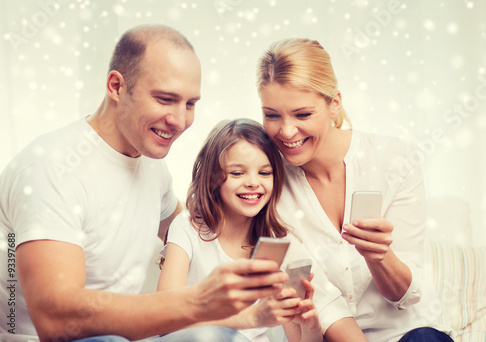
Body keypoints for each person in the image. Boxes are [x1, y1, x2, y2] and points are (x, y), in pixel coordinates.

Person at [0, 25, 288, 342]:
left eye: (190, 104)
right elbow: (56, 321)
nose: (180, 121)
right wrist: (199, 302)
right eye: (166, 99)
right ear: (116, 86)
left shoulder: (152, 167)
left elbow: (191, 227)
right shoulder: (51, 169)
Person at [255, 38, 454, 342]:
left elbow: (406, 295)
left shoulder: (393, 159)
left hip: (405, 334)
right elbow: (316, 298)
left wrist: (379, 257)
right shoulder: (269, 185)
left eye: (302, 114)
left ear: (334, 103)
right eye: (272, 115)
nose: (286, 131)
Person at [157, 118, 367, 342]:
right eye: (238, 173)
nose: (253, 182)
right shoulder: (188, 227)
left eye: (265, 173)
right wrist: (249, 318)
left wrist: (310, 327)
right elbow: (165, 320)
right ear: (213, 178)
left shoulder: (280, 244)